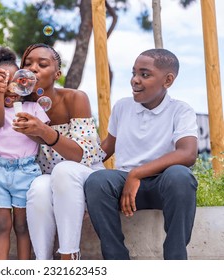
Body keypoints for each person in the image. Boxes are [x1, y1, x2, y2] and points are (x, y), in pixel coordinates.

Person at [84, 48, 198, 260]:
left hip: (162, 185)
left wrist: (137, 174)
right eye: (134, 73)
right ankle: (117, 261)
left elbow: (188, 153)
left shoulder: (180, 110)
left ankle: (176, 260)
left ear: (168, 80)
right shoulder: (122, 107)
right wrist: (62, 148)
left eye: (145, 75)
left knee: (181, 176)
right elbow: (106, 148)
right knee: (97, 180)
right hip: (125, 188)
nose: (135, 80)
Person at [8, 43, 105, 260]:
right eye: (27, 64)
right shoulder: (18, 107)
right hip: (50, 182)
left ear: (57, 74)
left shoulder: (74, 98)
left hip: (85, 176)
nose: (33, 68)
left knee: (62, 170)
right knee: (39, 186)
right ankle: (44, 262)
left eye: (42, 64)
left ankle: (69, 255)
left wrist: (44, 131)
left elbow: (84, 156)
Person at [0, 47, 50, 260]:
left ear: (25, 82)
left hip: (26, 171)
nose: (10, 87)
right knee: (2, 225)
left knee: (22, 226)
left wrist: (31, 130)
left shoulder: (32, 107)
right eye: (2, 82)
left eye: (16, 81)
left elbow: (43, 139)